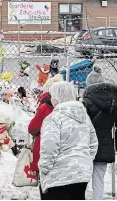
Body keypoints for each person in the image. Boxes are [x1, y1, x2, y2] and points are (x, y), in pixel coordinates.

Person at [39, 81, 98, 200]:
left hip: (59, 175)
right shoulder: (84, 117)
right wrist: (84, 160)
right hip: (82, 172)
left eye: (52, 97)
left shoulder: (54, 118)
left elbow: (49, 147)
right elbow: (93, 143)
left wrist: (44, 169)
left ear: (57, 98)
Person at [83, 65, 117, 200]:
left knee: (82, 179)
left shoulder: (86, 102)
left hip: (87, 145)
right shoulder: (114, 101)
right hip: (105, 145)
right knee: (99, 180)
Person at [28, 74, 63, 199]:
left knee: (45, 186)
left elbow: (32, 128)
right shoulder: (67, 107)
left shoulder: (44, 107)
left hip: (44, 149)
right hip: (63, 152)